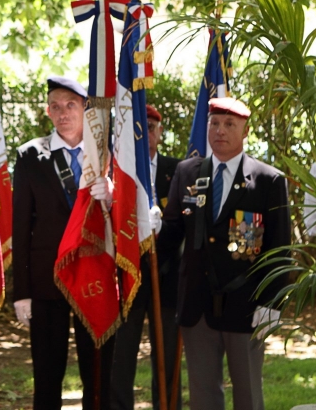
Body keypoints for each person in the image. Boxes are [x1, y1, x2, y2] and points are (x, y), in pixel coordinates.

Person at [155, 97, 289, 410]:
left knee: (248, 395)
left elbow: (279, 249)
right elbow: (173, 234)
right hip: (197, 304)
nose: (220, 130)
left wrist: (272, 303)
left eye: (229, 124)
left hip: (246, 304)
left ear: (245, 131)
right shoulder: (187, 172)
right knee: (202, 396)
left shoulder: (268, 180)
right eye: (214, 123)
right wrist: (153, 230)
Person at [12, 76, 116, 409]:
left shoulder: (107, 153)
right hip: (47, 281)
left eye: (71, 105)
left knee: (98, 374)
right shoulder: (30, 156)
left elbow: (128, 216)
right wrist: (22, 292)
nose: (63, 113)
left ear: (85, 109)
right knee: (46, 375)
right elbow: (21, 227)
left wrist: (113, 197)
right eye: (55, 106)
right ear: (47, 112)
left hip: (96, 277)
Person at [110, 104, 182, 410]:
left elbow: (183, 222)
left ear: (160, 134)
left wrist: (162, 236)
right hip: (127, 275)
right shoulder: (116, 171)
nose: (146, 134)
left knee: (167, 358)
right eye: (139, 129)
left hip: (167, 276)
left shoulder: (177, 169)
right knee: (121, 357)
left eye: (151, 128)